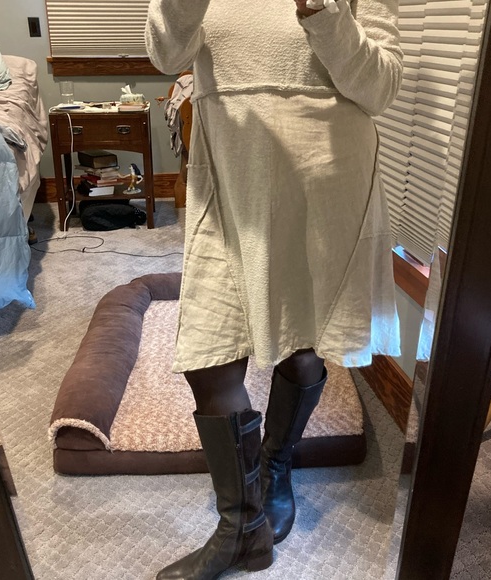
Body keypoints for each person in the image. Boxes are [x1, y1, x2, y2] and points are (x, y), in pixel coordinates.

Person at [145, 0, 403, 577]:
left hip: (325, 177)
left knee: (299, 341)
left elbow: (380, 88)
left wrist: (325, 12)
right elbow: (166, 53)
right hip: (230, 178)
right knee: (208, 352)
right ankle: (243, 527)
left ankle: (274, 466)